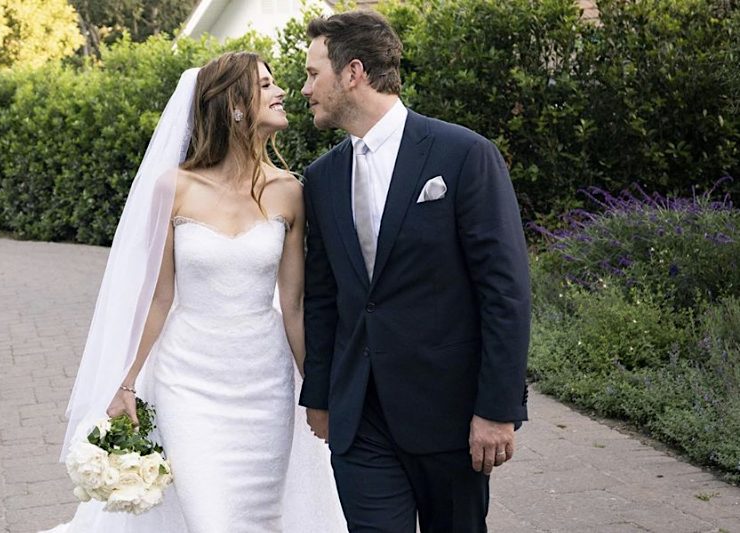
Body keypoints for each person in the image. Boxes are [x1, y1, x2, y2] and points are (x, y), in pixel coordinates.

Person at [41, 52, 346, 532]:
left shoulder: (289, 191)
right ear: (234, 105)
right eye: (266, 85)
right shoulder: (175, 187)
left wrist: (318, 388)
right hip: (188, 380)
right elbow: (158, 298)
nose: (282, 91)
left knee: (259, 516)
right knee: (210, 517)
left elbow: (293, 306)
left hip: (264, 384)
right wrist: (126, 383)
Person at [298, 10, 532, 532]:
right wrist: (320, 394)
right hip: (360, 420)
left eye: (313, 74)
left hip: (450, 417)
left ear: (353, 73)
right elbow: (323, 296)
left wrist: (497, 409)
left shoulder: (464, 154)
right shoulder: (322, 177)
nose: (306, 89)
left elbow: (505, 292)